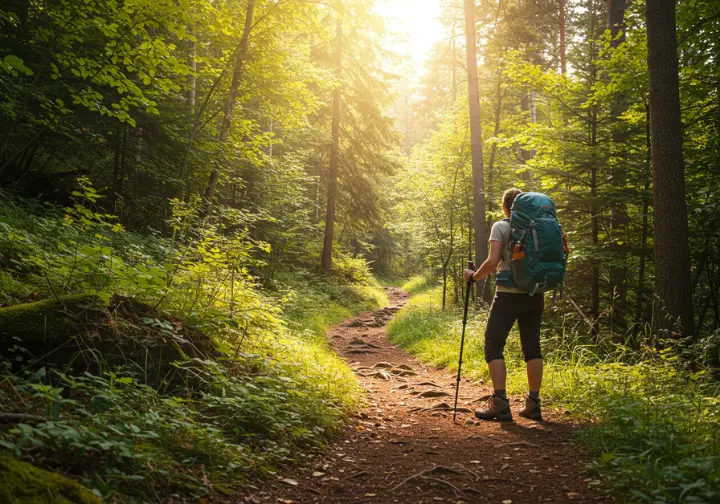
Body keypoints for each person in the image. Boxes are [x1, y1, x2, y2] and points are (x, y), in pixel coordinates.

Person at [463, 188, 544, 421]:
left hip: (508, 294)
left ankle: (500, 403)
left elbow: (492, 261)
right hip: (535, 293)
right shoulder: (536, 227)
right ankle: (534, 404)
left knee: (493, 344)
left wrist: (473, 277)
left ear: (505, 207)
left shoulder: (502, 226)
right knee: (532, 347)